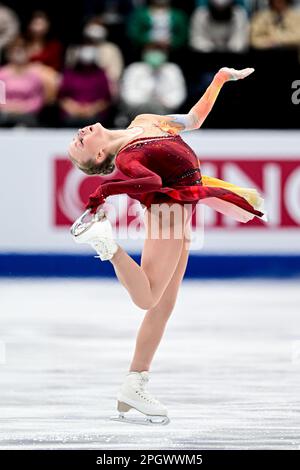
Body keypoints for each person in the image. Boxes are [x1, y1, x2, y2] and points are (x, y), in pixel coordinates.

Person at [68, 67, 266, 425]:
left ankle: (134, 382)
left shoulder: (146, 119)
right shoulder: (127, 156)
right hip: (167, 212)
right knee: (148, 297)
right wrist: (103, 192)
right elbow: (153, 180)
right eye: (80, 144)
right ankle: (106, 245)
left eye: (77, 136)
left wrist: (219, 80)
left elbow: (192, 120)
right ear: (99, 158)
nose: (80, 134)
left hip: (181, 210)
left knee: (163, 306)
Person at [116, 44, 187, 126]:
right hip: (136, 114)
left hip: (165, 116)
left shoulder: (172, 70)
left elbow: (178, 94)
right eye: (152, 50)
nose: (156, 54)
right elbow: (128, 95)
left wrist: (165, 101)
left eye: (159, 51)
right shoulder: (134, 69)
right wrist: (147, 99)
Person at [58, 44, 112, 128]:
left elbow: (106, 100)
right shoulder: (69, 73)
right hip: (71, 116)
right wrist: (75, 109)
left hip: (95, 117)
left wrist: (92, 109)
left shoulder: (101, 74)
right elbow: (61, 98)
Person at [0, 37, 45, 127]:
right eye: (16, 52)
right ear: (9, 54)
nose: (19, 55)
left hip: (27, 115)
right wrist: (10, 107)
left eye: (22, 51)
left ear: (28, 53)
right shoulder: (2, 74)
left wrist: (23, 108)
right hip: (5, 114)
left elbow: (37, 100)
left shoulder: (34, 76)